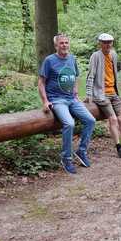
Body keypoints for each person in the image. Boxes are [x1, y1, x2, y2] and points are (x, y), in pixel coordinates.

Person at [38, 34, 95, 174]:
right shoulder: (49, 61)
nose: (64, 45)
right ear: (56, 46)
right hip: (57, 100)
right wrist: (45, 101)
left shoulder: (72, 59)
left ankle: (81, 152)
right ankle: (66, 158)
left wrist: (75, 93)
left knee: (91, 120)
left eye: (66, 43)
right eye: (61, 43)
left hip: (71, 99)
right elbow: (41, 82)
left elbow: (75, 77)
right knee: (69, 123)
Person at [86, 33, 121, 159]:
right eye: (105, 42)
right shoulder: (95, 56)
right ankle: (118, 147)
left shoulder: (113, 55)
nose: (107, 45)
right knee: (113, 119)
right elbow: (90, 76)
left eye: (110, 42)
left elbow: (114, 74)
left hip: (114, 92)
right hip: (101, 94)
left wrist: (119, 90)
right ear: (100, 43)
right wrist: (89, 94)